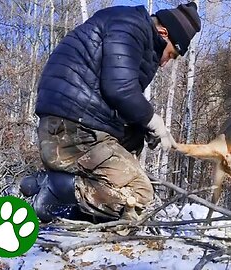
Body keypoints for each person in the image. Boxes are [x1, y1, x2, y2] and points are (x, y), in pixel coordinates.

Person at [20, 2, 201, 224]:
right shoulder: (130, 26)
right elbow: (120, 89)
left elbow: (111, 93)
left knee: (134, 138)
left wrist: (142, 127)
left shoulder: (128, 26)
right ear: (163, 33)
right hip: (71, 130)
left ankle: (65, 200)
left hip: (71, 125)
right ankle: (55, 189)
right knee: (138, 194)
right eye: (171, 54)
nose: (165, 63)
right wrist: (152, 119)